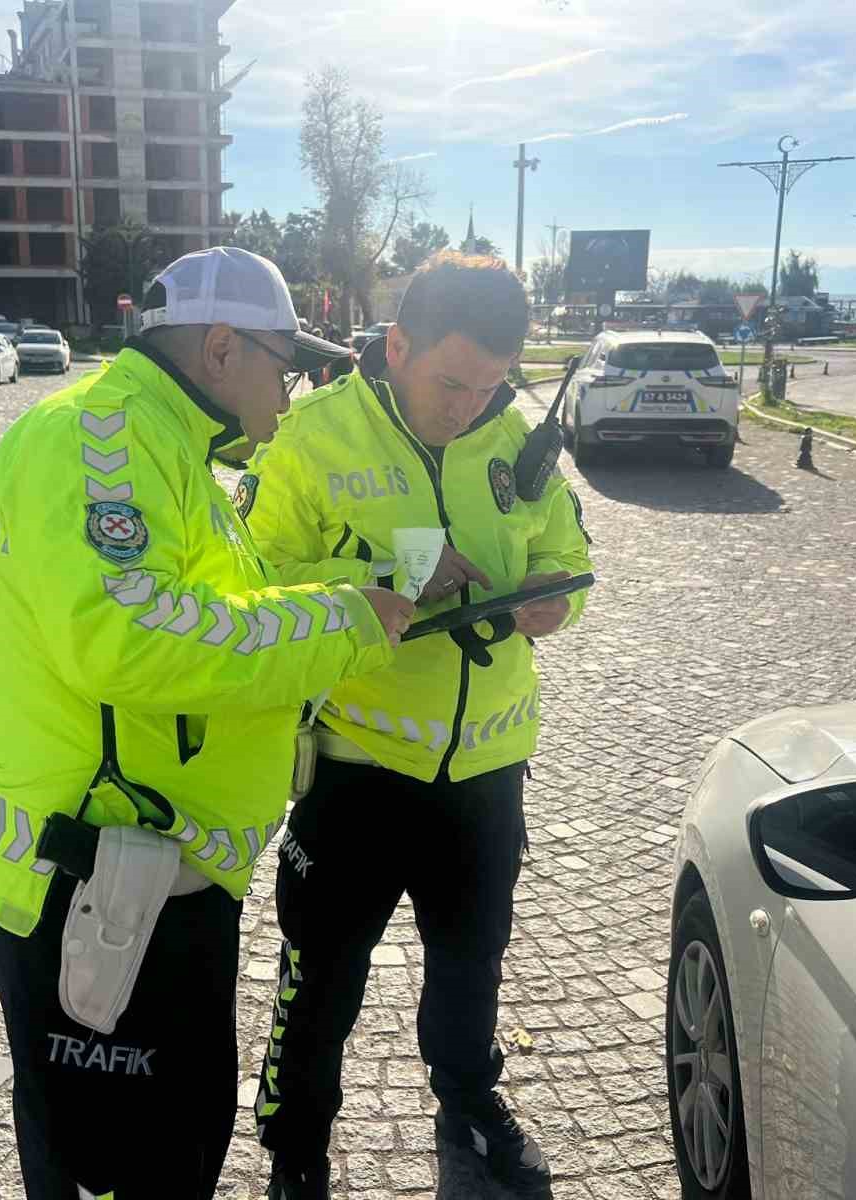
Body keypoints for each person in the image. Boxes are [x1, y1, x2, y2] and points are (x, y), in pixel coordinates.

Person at [0, 245, 416, 1200]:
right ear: (220, 350)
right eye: (283, 367)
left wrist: (355, 592)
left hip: (156, 877)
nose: (290, 397)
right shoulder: (102, 436)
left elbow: (213, 603)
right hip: (101, 887)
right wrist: (339, 621)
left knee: (174, 1150)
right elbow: (127, 634)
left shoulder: (170, 446)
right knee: (128, 1169)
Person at [237, 252, 594, 1199]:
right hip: (358, 767)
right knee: (321, 979)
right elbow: (254, 587)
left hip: (487, 771)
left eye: (489, 386)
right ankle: (295, 1150)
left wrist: (554, 602)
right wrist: (398, 573)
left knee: (472, 962)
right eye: (450, 381)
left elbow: (566, 551)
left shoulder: (514, 429)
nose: (469, 406)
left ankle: (469, 1100)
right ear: (396, 345)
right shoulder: (311, 434)